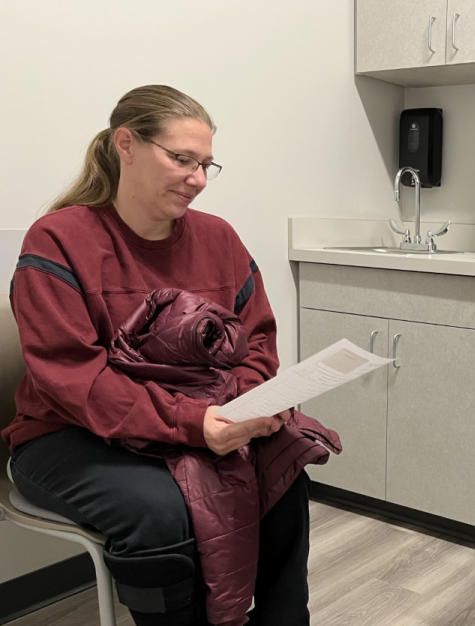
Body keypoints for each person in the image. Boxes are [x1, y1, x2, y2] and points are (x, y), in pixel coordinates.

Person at [3, 85, 337, 626]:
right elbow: (76, 380)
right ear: (126, 145)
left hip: (199, 418)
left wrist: (242, 407)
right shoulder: (58, 240)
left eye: (207, 164)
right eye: (182, 159)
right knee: (160, 509)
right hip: (67, 433)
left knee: (285, 466)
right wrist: (195, 423)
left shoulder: (219, 239)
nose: (199, 179)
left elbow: (258, 342)